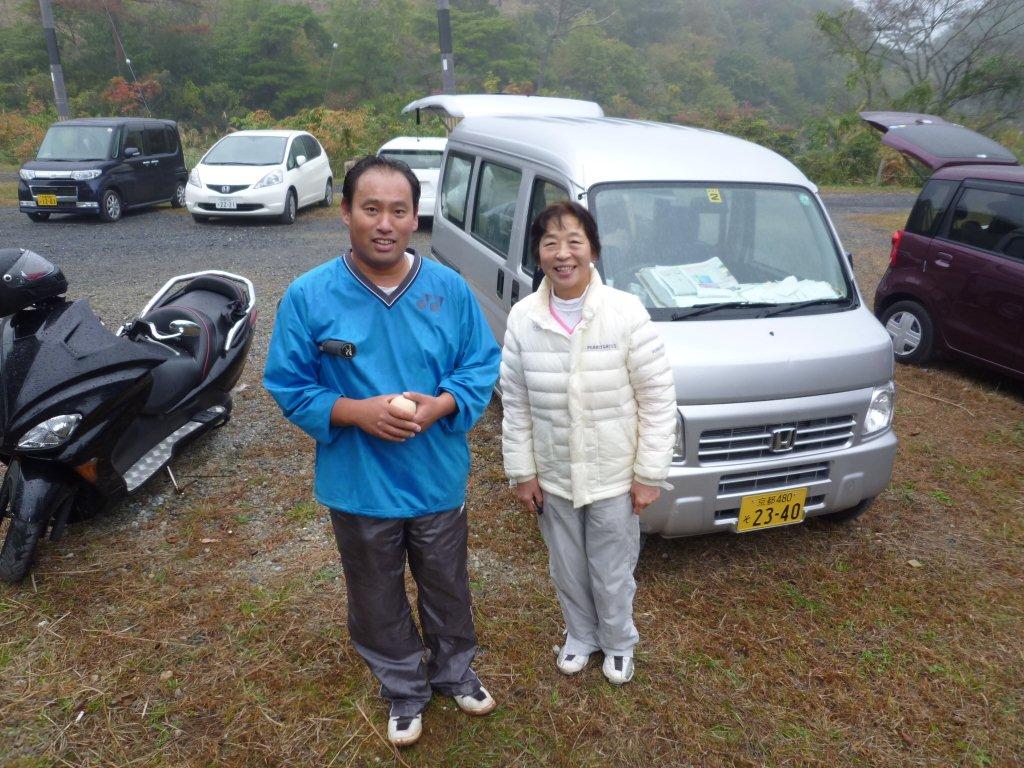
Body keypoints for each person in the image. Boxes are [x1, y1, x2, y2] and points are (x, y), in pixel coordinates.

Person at [263, 155, 501, 747]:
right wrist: (355, 411)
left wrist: (443, 404)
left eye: (399, 210)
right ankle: (403, 686)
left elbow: (480, 363)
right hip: (360, 481)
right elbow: (288, 383)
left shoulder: (448, 290)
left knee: (446, 580)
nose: (385, 223)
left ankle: (454, 671)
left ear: (416, 217)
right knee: (374, 589)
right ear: (346, 212)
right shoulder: (309, 296)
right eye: (371, 209)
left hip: (435, 474)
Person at [500, 201, 677, 685]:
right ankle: (580, 635)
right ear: (538, 254)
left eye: (574, 241)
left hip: (614, 475)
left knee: (612, 567)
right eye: (550, 243)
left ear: (593, 250)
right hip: (554, 472)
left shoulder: (624, 311)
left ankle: (618, 641)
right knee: (567, 565)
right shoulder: (523, 318)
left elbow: (657, 398)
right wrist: (522, 472)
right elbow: (515, 402)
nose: (563, 254)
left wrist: (648, 475)